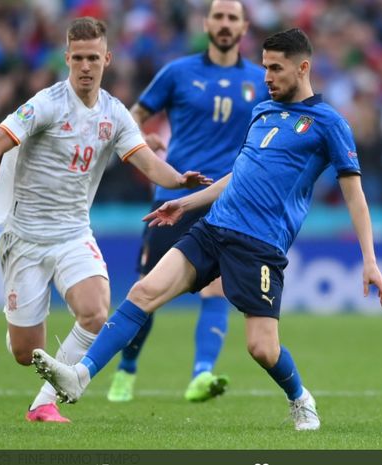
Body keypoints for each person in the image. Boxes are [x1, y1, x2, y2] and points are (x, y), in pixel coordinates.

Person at [31, 28, 382, 431]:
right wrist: (184, 203)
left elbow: (355, 196)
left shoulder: (328, 123)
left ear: (303, 67)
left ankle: (300, 397)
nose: (267, 77)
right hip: (214, 226)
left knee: (261, 348)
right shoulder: (263, 111)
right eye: (265, 66)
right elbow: (238, 174)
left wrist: (370, 260)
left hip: (259, 244)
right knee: (143, 291)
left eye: (275, 68)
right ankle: (81, 376)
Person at [0, 17, 211, 424]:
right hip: (24, 236)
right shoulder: (45, 104)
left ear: (107, 59)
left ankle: (44, 403)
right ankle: (17, 332)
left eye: (93, 58)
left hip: (73, 232)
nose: (85, 66)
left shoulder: (114, 113)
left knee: (97, 313)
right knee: (27, 353)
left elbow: (148, 163)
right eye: (77, 58)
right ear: (67, 58)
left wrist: (179, 179)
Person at [107, 0, 269, 404]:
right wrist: (139, 139)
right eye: (219, 16)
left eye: (233, 17)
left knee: (217, 289)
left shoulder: (259, 79)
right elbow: (134, 114)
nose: (226, 24)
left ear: (244, 26)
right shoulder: (178, 73)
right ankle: (126, 370)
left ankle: (201, 374)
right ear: (207, 23)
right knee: (148, 291)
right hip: (174, 197)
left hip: (227, 200)